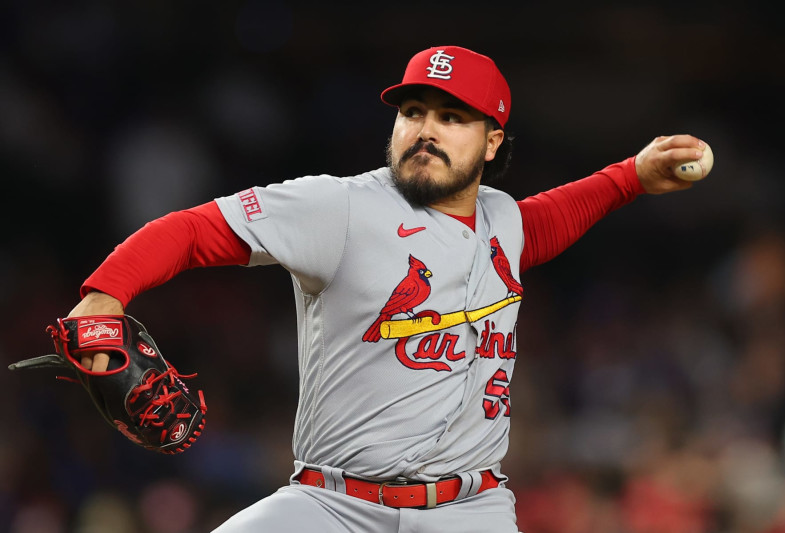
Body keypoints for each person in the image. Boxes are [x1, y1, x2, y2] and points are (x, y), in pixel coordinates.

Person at [68, 45, 708, 532]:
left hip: (471, 510)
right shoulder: (339, 208)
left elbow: (544, 222)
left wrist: (630, 178)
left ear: (492, 143)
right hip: (331, 505)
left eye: (451, 117)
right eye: (413, 111)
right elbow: (191, 230)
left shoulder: (503, 220)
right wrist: (104, 296)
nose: (425, 129)